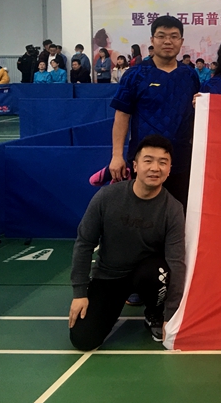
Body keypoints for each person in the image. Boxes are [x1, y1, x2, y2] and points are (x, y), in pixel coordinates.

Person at [69, 135, 185, 350]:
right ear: (135, 166)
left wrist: (171, 315)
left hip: (148, 275)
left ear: (169, 169)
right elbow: (84, 243)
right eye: (148, 161)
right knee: (83, 340)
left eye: (163, 162)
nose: (155, 168)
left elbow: (176, 263)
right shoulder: (106, 197)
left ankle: (155, 312)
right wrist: (80, 293)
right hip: (109, 276)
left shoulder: (173, 209)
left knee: (158, 271)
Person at [109, 16, 201, 210]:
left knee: (179, 214)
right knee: (142, 215)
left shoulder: (190, 75)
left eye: (174, 36)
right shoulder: (135, 74)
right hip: (145, 162)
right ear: (152, 40)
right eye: (161, 36)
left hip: (182, 161)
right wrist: (117, 156)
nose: (168, 41)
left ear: (181, 41)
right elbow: (122, 116)